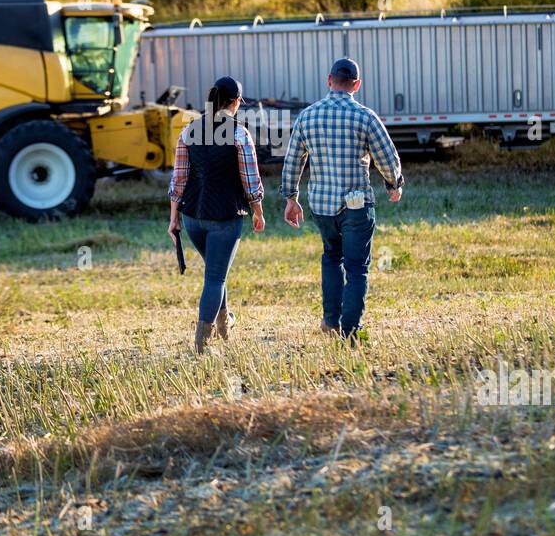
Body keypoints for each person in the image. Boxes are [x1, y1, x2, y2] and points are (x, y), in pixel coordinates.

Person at [280, 57, 403, 343]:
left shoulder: (307, 116)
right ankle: (350, 330)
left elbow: (293, 160)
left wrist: (291, 197)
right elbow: (386, 157)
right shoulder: (366, 117)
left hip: (322, 206)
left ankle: (331, 320)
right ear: (357, 85)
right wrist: (393, 184)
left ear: (329, 80)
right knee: (357, 267)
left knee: (331, 258)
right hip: (356, 206)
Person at [168, 76, 265, 353]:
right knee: (215, 278)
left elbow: (179, 179)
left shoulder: (189, 131)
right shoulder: (239, 133)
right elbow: (250, 181)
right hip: (225, 217)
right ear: (235, 102)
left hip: (192, 218)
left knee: (215, 271)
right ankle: (202, 342)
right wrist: (258, 211)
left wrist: (173, 218)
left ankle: (224, 323)